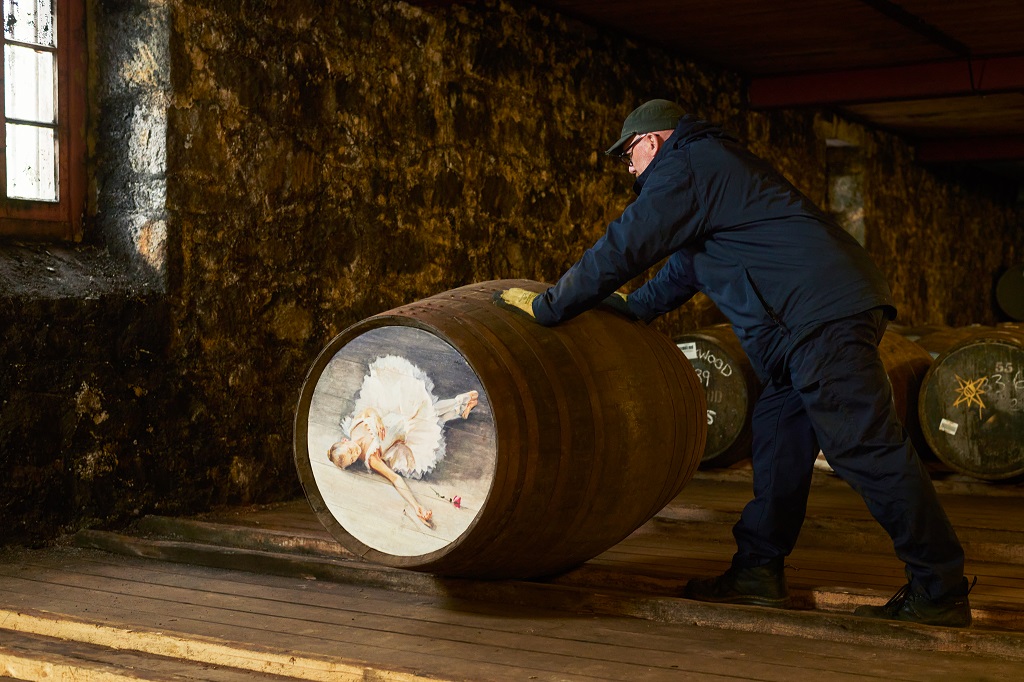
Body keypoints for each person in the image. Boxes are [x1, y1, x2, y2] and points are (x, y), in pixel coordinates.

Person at [497, 99, 973, 627]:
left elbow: (625, 245)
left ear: (653, 141)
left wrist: (552, 304)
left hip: (816, 316)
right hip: (809, 322)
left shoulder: (687, 165)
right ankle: (757, 571)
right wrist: (632, 310)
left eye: (629, 155)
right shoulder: (713, 175)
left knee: (864, 447)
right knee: (777, 438)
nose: (629, 168)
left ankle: (940, 588)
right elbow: (682, 271)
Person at [329, 354, 480, 528]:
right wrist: (417, 506)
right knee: (430, 420)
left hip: (398, 413)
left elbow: (368, 411)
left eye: (350, 451)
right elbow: (396, 480)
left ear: (344, 441)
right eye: (353, 459)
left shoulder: (355, 427)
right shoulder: (372, 458)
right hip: (406, 432)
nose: (355, 454)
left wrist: (376, 418)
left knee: (427, 412)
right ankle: (460, 404)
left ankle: (460, 407)